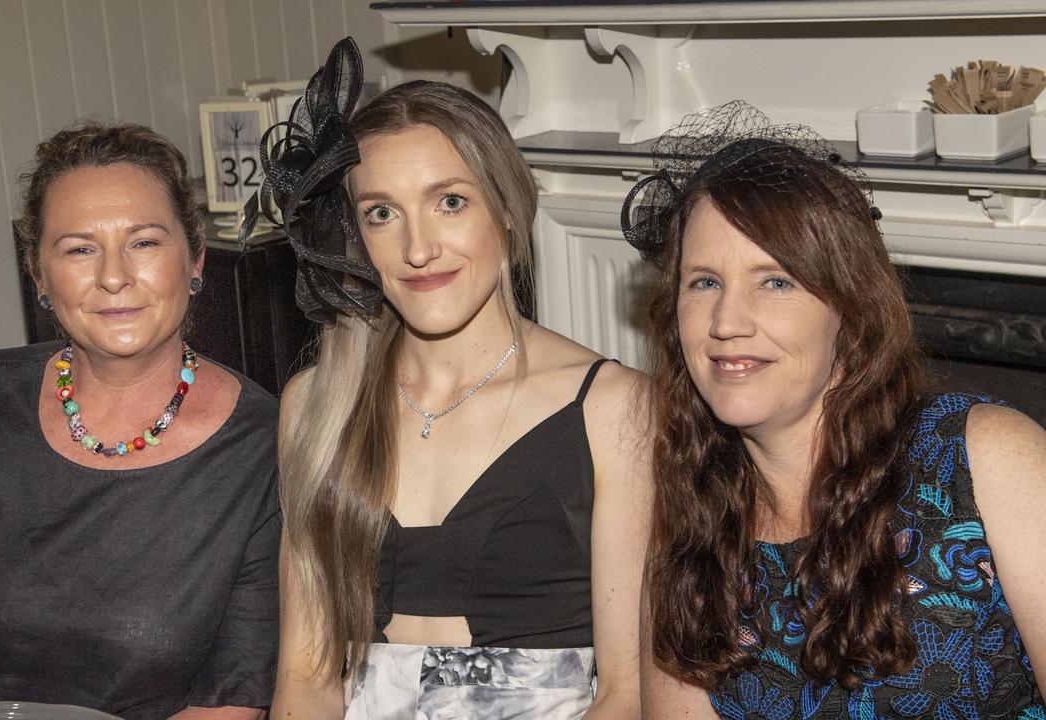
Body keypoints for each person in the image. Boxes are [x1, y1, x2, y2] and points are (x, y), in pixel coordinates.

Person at [239, 39, 650, 719]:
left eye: (450, 202)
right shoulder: (315, 404)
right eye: (381, 213)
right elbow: (306, 680)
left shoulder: (613, 408)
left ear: (508, 211)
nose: (418, 248)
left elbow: (628, 696)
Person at [0, 122, 281, 720]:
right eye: (79, 248)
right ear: (40, 276)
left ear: (195, 259)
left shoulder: (265, 447)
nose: (114, 276)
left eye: (145, 242)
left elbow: (231, 702)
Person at [628, 101, 1046, 717]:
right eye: (704, 282)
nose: (726, 323)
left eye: (775, 282)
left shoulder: (984, 458)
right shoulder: (690, 518)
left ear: (847, 310)